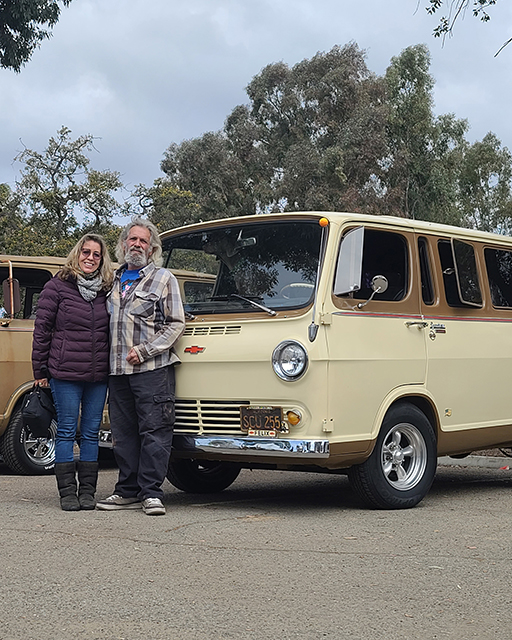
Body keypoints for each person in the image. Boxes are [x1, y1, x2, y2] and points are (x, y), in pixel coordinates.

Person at [96, 217, 185, 516]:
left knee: (155, 431)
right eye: (132, 240)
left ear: (152, 248)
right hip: (117, 372)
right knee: (124, 434)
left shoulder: (163, 279)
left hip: (152, 370)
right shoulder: (112, 280)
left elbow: (175, 325)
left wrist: (145, 351)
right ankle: (127, 491)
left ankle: (151, 493)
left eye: (143, 241)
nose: (136, 245)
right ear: (123, 245)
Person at [32, 234, 113, 511]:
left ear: (102, 260)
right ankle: (67, 493)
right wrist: (39, 370)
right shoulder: (56, 287)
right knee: (66, 430)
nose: (90, 258)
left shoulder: (106, 290)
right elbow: (41, 330)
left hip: (97, 375)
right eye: (86, 252)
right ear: (77, 254)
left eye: (96, 255)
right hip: (64, 372)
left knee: (91, 433)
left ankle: (88, 492)